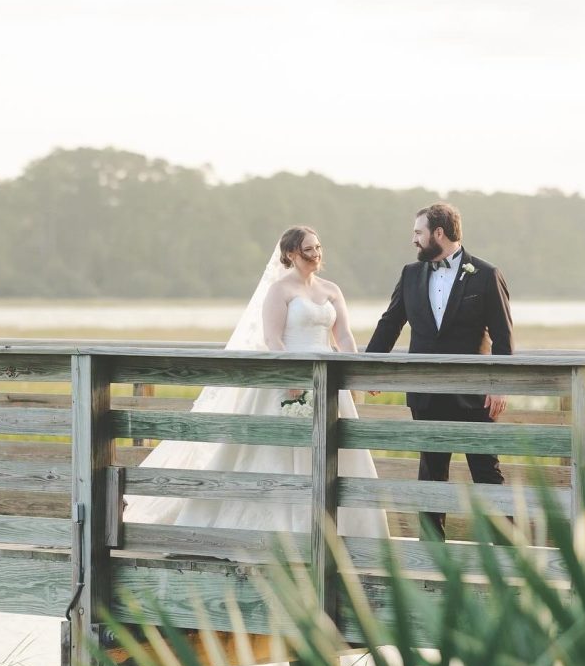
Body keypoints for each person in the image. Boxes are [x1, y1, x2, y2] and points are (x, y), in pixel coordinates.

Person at [125, 226, 388, 539]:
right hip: (291, 380)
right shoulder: (280, 291)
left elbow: (343, 335)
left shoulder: (331, 290)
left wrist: (353, 370)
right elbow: (273, 337)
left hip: (328, 383)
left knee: (335, 454)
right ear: (291, 254)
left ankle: (340, 532)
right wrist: (290, 377)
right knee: (276, 454)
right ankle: (279, 532)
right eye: (308, 249)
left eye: (318, 248)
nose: (316, 255)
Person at [365, 202, 513, 540]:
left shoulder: (486, 274)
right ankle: (431, 557)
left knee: (487, 474)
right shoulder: (410, 274)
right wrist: (371, 368)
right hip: (426, 393)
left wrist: (500, 385)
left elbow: (504, 337)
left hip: (474, 396)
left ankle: (508, 556)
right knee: (431, 475)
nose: (413, 239)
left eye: (418, 232)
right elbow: (390, 324)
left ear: (439, 233)